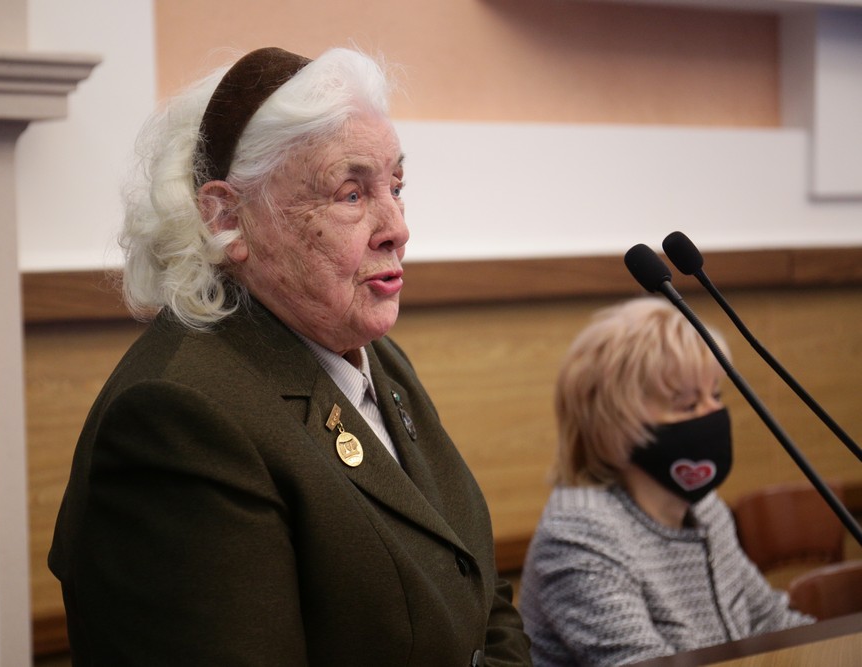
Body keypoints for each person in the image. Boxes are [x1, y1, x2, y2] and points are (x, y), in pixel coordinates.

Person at [48, 46, 532, 666]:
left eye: (396, 186)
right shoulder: (176, 419)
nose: (397, 227)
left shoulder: (375, 357)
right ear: (228, 218)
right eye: (351, 194)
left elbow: (478, 592)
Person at [517, 297, 812, 667]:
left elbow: (771, 622)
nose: (713, 414)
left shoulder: (704, 508)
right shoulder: (579, 535)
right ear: (615, 422)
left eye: (715, 395)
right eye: (687, 405)